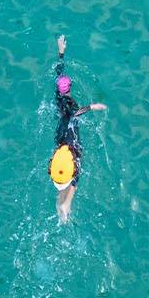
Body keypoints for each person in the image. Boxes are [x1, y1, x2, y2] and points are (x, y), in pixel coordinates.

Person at [48, 33, 107, 223]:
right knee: (76, 169)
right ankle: (67, 204)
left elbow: (59, 72)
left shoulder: (58, 99)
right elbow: (74, 115)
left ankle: (60, 202)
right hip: (66, 138)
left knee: (66, 164)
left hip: (61, 132)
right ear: (70, 88)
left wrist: (61, 53)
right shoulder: (71, 104)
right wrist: (92, 107)